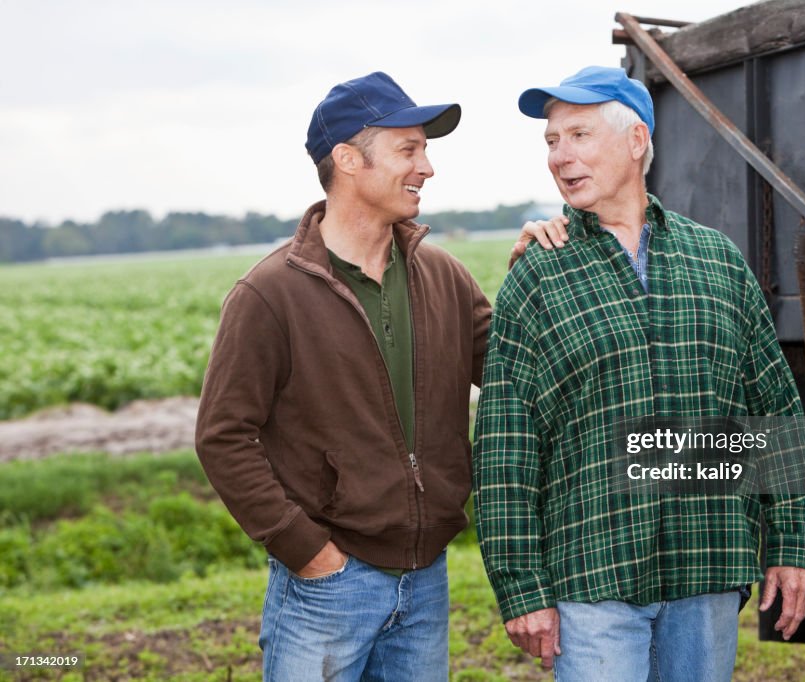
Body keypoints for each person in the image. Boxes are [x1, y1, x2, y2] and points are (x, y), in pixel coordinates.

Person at [195, 72, 561, 682]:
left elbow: (522, 373)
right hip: (326, 587)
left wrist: (539, 278)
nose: (427, 167)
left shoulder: (444, 276)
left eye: (426, 149)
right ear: (347, 160)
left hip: (425, 580)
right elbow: (223, 436)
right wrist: (307, 552)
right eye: (408, 150)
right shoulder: (269, 294)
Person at [473, 65, 805, 681]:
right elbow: (506, 445)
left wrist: (794, 544)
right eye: (551, 141)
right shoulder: (539, 276)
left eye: (578, 135)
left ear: (636, 141)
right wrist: (521, 585)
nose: (560, 156)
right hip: (594, 576)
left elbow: (775, 412)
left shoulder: (715, 261)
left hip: (706, 567)